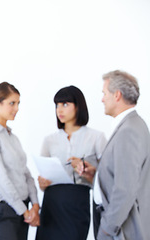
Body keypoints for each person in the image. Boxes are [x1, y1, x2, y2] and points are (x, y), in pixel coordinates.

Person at [79, 70, 150, 240]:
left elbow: (125, 190)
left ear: (117, 95)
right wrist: (97, 175)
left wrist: (107, 229)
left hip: (120, 229)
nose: (102, 99)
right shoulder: (130, 125)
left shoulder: (129, 130)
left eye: (104, 93)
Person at [35, 85, 107, 240]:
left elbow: (106, 179)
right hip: (51, 205)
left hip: (77, 203)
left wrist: (88, 171)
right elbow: (42, 181)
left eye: (65, 104)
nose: (59, 110)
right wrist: (42, 183)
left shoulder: (96, 137)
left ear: (78, 106)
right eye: (57, 105)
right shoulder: (49, 140)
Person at [0, 82, 40, 240]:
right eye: (12, 103)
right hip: (3, 213)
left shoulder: (13, 137)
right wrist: (24, 211)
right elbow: (0, 179)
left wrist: (35, 204)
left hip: (22, 211)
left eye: (18, 103)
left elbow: (26, 173)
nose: (17, 108)